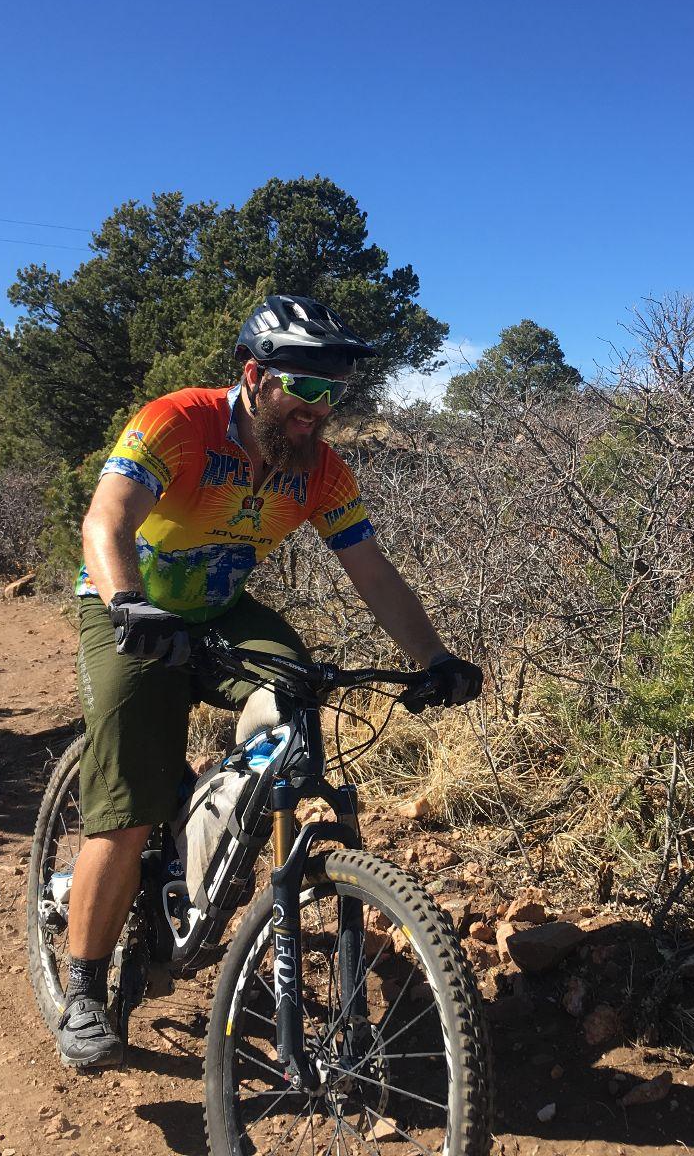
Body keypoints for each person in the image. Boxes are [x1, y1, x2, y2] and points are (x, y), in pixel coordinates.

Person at [57, 294, 483, 1069]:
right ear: (254, 378)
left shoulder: (319, 470)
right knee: (122, 807)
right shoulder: (176, 422)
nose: (318, 412)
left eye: (336, 396)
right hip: (130, 604)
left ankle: (214, 845)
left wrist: (434, 659)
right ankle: (84, 987)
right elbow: (105, 520)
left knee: (295, 701)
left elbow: (371, 572)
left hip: (220, 609)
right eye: (305, 391)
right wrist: (125, 602)